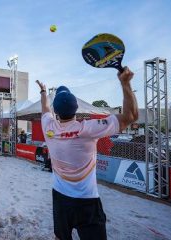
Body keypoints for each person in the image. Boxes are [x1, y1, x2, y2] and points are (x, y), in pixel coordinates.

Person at [37, 67, 138, 240]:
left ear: (56, 112)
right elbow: (131, 116)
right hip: (87, 201)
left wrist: (44, 91)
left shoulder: (48, 127)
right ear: (76, 108)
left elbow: (45, 109)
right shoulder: (88, 128)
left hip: (60, 198)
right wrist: (126, 83)